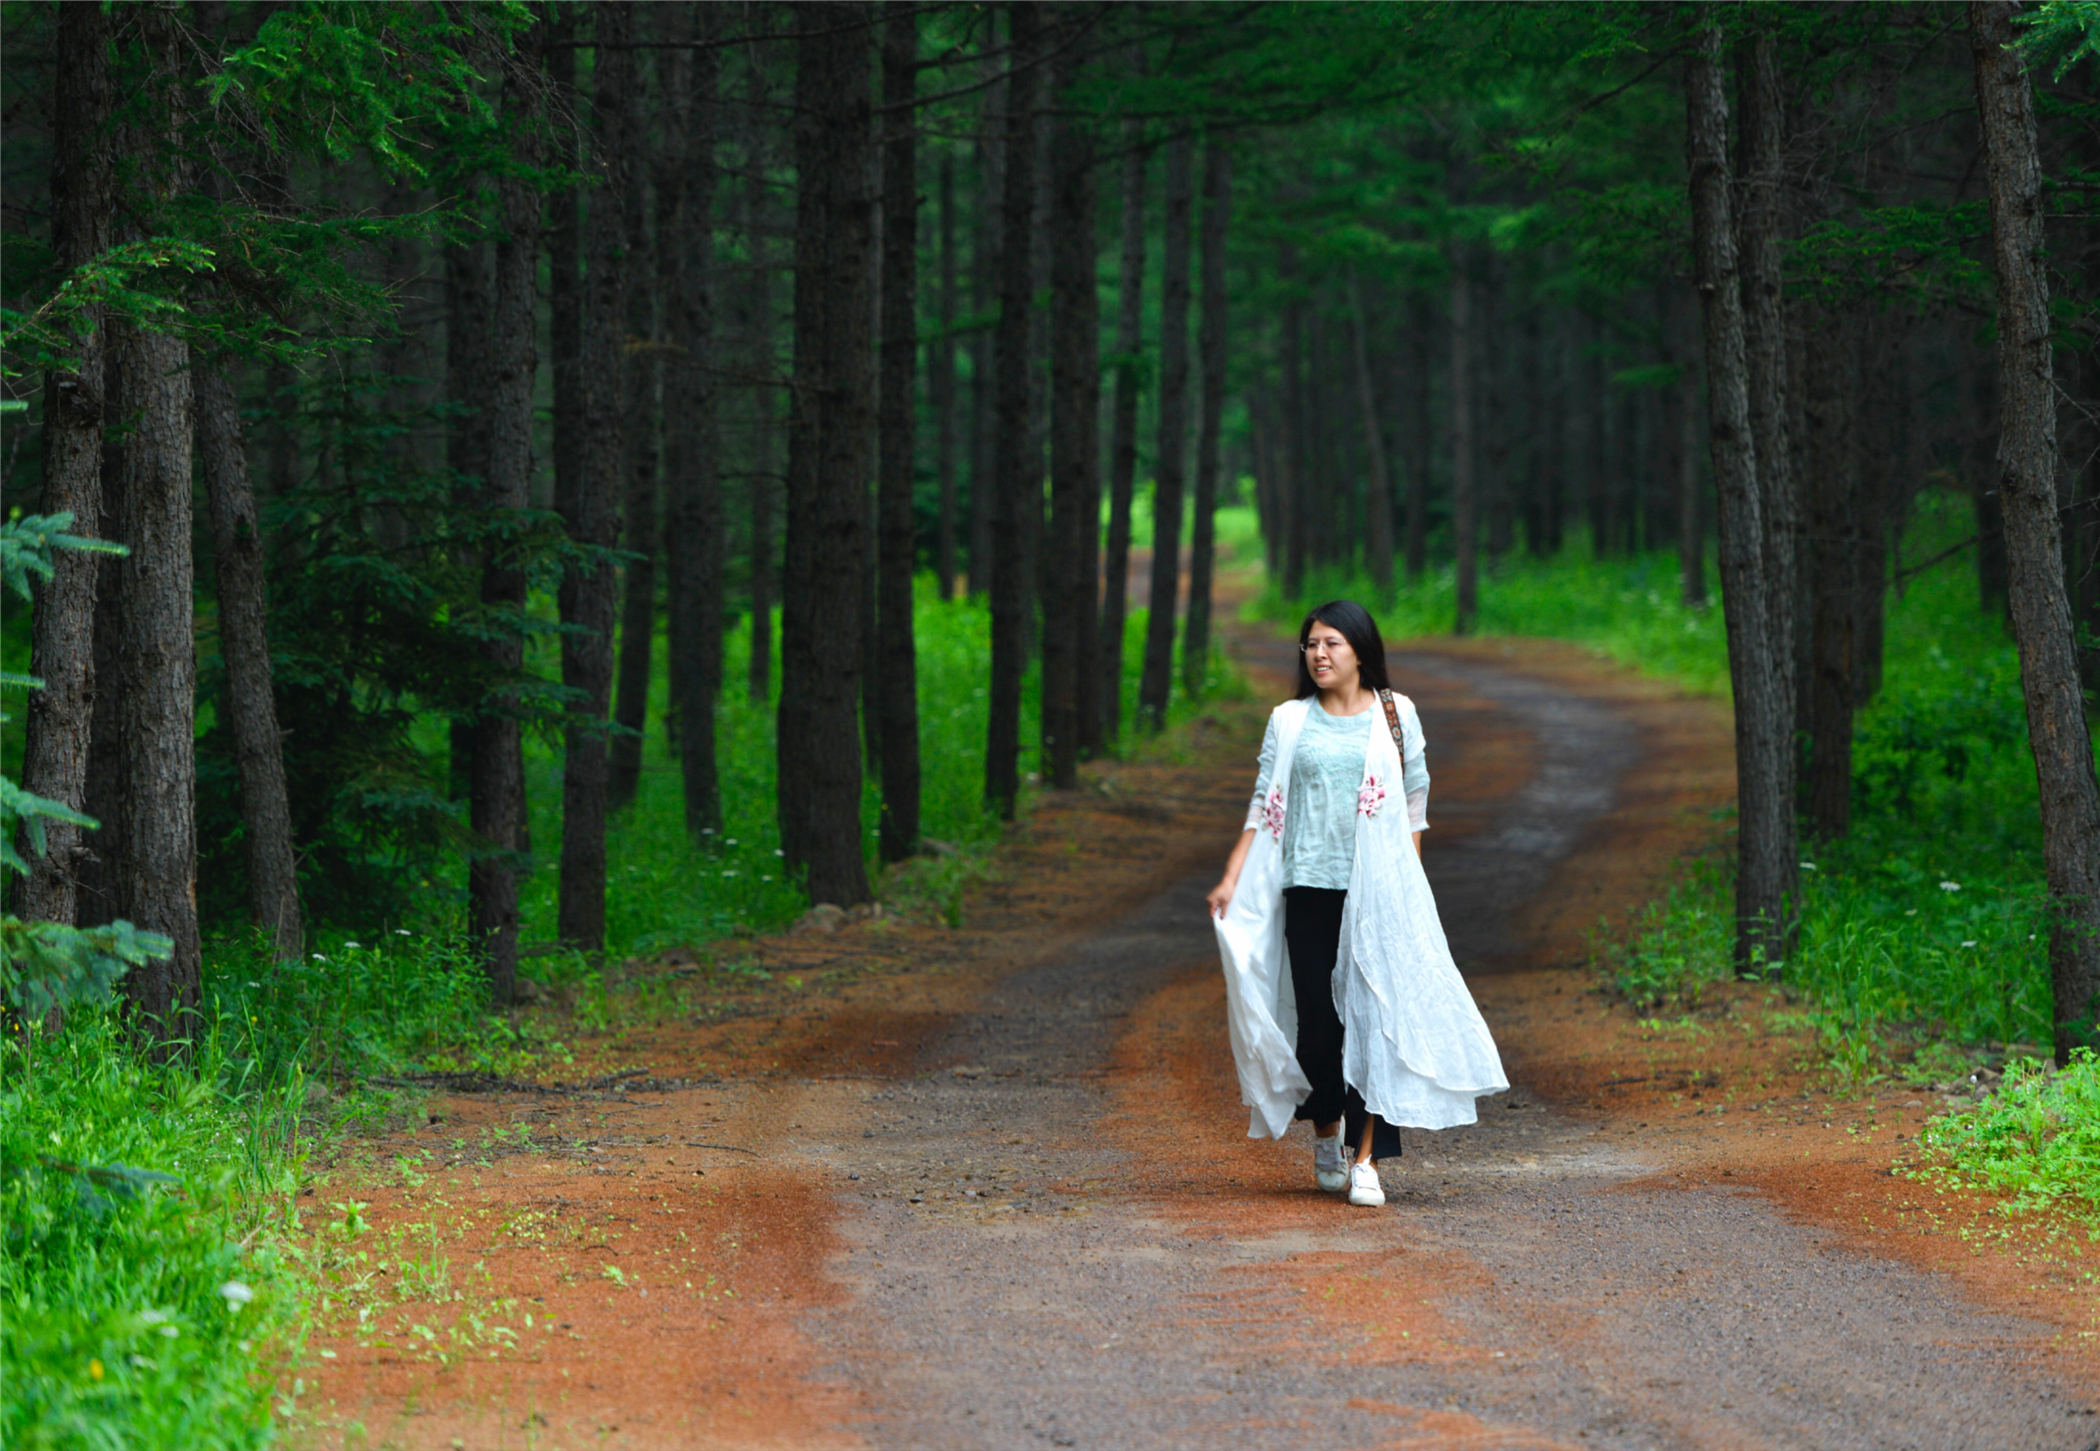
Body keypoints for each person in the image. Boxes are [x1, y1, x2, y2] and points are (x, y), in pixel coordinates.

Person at [1207, 601, 1508, 1207]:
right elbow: (1263, 803)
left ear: (1361, 652)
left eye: (1332, 644)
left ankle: (1367, 1160)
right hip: (1308, 888)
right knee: (1318, 1026)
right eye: (1311, 644)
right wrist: (1232, 876)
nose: (1318, 654)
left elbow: (1415, 804)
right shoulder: (1289, 720)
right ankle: (1326, 1130)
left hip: (1377, 892)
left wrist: (1407, 886)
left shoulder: (1397, 715)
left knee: (1375, 1022)